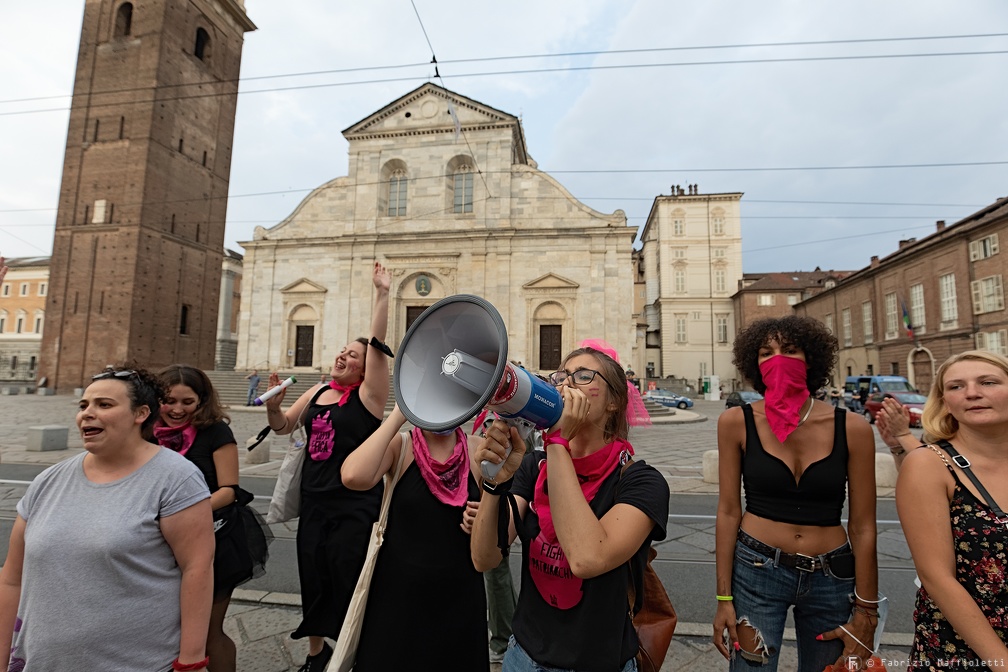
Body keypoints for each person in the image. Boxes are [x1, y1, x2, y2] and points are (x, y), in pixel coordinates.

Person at [0, 366, 214, 671]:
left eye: (104, 405)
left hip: (137, 662)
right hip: (43, 662)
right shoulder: (48, 481)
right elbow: (11, 579)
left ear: (141, 414)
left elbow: (198, 569)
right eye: (84, 405)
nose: (87, 413)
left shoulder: (175, 479)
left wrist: (191, 661)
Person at [471, 341, 668, 672]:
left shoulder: (641, 482)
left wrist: (558, 441)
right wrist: (494, 483)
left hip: (597, 662)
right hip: (523, 657)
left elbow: (587, 558)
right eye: (562, 376)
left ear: (614, 402)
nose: (567, 383)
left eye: (584, 375)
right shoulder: (534, 466)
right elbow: (484, 557)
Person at [713, 316, 879, 671]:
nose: (778, 359)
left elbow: (864, 526)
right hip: (756, 568)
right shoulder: (735, 423)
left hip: (832, 576)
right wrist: (723, 598)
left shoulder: (853, 428)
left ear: (811, 359)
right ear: (753, 364)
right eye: (765, 352)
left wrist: (867, 610)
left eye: (790, 351)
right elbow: (728, 511)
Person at [263, 261, 391, 672]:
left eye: (353, 355)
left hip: (355, 506)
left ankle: (357, 652)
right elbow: (284, 427)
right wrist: (274, 408)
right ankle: (317, 655)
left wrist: (382, 294)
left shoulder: (369, 398)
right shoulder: (319, 391)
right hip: (315, 503)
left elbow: (376, 342)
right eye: (342, 350)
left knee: (351, 579)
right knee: (314, 578)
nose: (343, 355)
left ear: (364, 366)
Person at [341, 405, 488, 671]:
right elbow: (353, 476)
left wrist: (483, 519)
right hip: (397, 602)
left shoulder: (478, 450)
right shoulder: (402, 446)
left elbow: (497, 533)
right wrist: (399, 414)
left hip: (459, 601)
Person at [156, 364, 271, 672]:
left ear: (201, 401)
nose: (177, 409)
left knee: (206, 632)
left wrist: (182, 512)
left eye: (187, 402)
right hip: (159, 545)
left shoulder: (215, 431)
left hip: (215, 540)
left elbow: (229, 490)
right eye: (169, 401)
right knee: (163, 631)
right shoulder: (145, 431)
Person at [896, 351, 1008, 667]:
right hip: (965, 651)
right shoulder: (930, 465)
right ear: (945, 402)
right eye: (956, 387)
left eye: (988, 382)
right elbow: (937, 578)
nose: (972, 392)